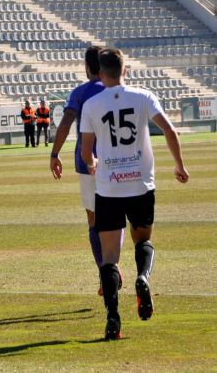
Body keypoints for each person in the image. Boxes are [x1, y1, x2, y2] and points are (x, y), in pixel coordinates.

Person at [80, 48, 189, 340]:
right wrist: (179, 166)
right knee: (144, 240)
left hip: (108, 187)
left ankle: (113, 318)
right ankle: (143, 277)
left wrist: (92, 165)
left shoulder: (91, 105)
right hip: (140, 184)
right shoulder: (143, 96)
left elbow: (85, 151)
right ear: (125, 70)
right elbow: (169, 131)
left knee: (110, 256)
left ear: (100, 74)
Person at [50, 46, 124, 296]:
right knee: (116, 219)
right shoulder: (116, 89)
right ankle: (114, 265)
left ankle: (105, 273)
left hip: (87, 163)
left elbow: (66, 121)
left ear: (87, 67)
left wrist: (54, 153)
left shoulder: (80, 93)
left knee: (94, 222)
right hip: (117, 162)